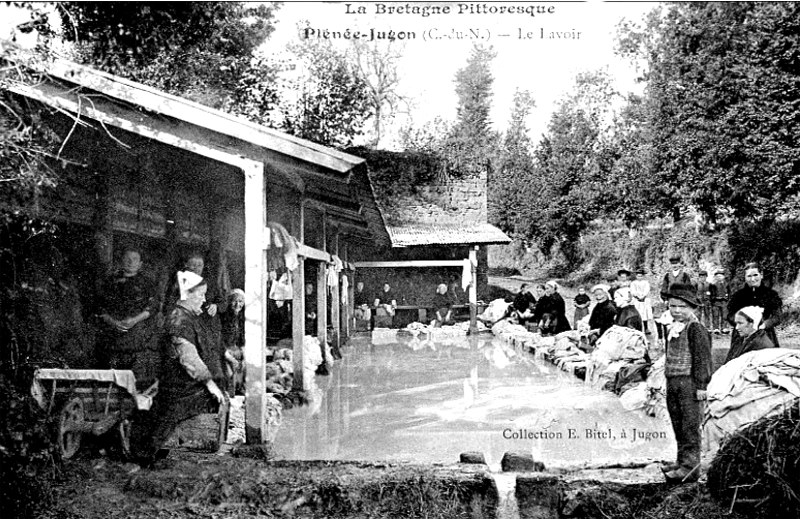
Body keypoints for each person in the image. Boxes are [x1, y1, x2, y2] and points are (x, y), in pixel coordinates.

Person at [130, 271, 226, 467]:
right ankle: (144, 455)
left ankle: (150, 450)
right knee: (176, 410)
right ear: (187, 295)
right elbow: (189, 359)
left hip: (183, 382)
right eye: (200, 295)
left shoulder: (189, 316)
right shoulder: (179, 319)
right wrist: (211, 385)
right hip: (179, 385)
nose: (204, 299)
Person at [661, 283, 712, 484]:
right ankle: (681, 461)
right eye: (673, 306)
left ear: (692, 308)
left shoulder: (696, 328)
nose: (677, 311)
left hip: (689, 383)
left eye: (682, 307)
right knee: (678, 423)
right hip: (673, 381)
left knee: (690, 426)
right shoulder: (671, 327)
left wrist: (701, 386)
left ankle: (691, 468)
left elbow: (702, 359)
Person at [96, 247, 160, 388]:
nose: (131, 262)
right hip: (112, 338)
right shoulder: (110, 281)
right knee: (110, 381)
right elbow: (99, 307)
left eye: (135, 259)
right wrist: (113, 322)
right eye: (128, 259)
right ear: (121, 261)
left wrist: (134, 320)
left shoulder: (147, 283)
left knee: (136, 383)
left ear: (140, 264)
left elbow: (153, 306)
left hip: (137, 339)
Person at [726, 262, 783, 356]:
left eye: (755, 275)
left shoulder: (771, 295)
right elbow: (730, 315)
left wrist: (764, 325)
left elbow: (777, 317)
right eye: (749, 276)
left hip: (765, 334)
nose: (752, 279)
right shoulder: (738, 296)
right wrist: (743, 324)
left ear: (761, 275)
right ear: (745, 277)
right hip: (742, 335)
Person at [220, 289, 245, 396]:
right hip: (223, 351)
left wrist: (244, 355)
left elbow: (242, 340)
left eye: (240, 301)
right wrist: (230, 357)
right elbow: (218, 341)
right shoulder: (223, 317)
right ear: (229, 301)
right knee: (229, 371)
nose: (237, 304)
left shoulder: (242, 318)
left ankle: (240, 390)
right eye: (234, 301)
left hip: (236, 350)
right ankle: (230, 395)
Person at [630, 269, 654, 335]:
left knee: (644, 314)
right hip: (637, 300)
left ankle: (646, 328)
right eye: (638, 276)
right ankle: (637, 328)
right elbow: (632, 291)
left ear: (643, 276)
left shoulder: (646, 283)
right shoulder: (633, 283)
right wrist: (637, 296)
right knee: (637, 313)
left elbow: (647, 290)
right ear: (636, 276)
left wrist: (643, 296)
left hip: (644, 299)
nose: (639, 277)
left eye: (641, 276)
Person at [709, 269, 730, 334]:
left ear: (723, 277)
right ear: (715, 277)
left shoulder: (726, 284)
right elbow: (711, 293)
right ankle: (716, 328)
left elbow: (729, 292)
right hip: (716, 302)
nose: (719, 277)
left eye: (720, 276)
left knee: (725, 315)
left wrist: (727, 298)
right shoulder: (713, 285)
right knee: (715, 315)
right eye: (717, 276)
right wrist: (713, 299)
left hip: (724, 302)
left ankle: (724, 328)